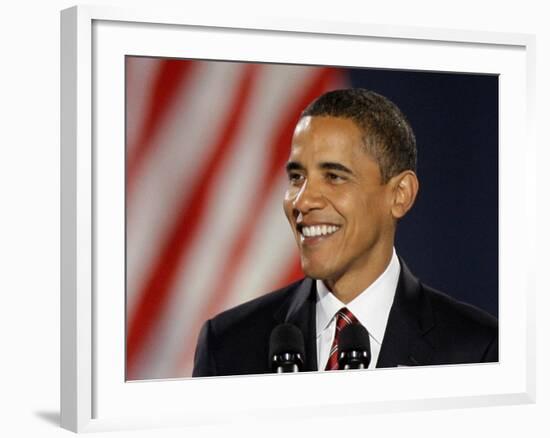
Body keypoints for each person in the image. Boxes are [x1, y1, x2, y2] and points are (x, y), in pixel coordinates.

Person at [192, 88, 498, 377]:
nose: (303, 200)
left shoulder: (478, 349)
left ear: (400, 195)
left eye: (334, 176)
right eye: (297, 177)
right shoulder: (227, 346)